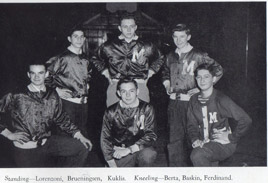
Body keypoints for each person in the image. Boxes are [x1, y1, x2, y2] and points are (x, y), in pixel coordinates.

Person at [0, 63, 92, 167]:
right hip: (25, 150)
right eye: (33, 73)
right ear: (28, 75)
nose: (37, 77)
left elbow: (60, 117)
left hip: (47, 144)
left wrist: (79, 135)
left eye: (40, 73)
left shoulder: (52, 94)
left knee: (82, 148)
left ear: (46, 74)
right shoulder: (17, 95)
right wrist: (8, 134)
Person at [162, 24, 224, 167]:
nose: (179, 40)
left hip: (193, 102)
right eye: (175, 37)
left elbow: (218, 69)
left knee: (196, 139)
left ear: (188, 37)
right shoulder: (170, 56)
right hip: (174, 103)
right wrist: (166, 84)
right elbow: (165, 72)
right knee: (175, 142)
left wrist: (202, 88)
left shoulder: (199, 55)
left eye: (182, 36)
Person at [91, 13, 164, 107]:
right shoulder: (109, 45)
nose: (129, 30)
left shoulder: (146, 45)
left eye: (131, 26)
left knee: (140, 118)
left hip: (139, 85)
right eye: (125, 26)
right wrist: (105, 73)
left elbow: (160, 57)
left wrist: (150, 73)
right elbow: (95, 58)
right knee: (114, 118)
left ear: (136, 27)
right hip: (116, 85)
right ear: (120, 28)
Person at [187, 63, 252, 166]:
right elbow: (191, 125)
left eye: (206, 77)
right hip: (205, 143)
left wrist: (232, 137)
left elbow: (246, 119)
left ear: (213, 79)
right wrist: (195, 139)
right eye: (199, 77)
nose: (202, 80)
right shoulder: (193, 100)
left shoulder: (221, 99)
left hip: (223, 144)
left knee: (197, 155)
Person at [100, 77, 157, 167]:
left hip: (139, 148)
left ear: (137, 92)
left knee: (148, 154)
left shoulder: (147, 108)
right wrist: (111, 162)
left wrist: (130, 149)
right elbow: (104, 138)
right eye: (124, 91)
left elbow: (151, 135)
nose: (128, 95)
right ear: (118, 93)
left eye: (131, 91)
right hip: (120, 150)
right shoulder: (111, 111)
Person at [45, 27, 91, 136]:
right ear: (69, 39)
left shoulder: (86, 58)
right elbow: (45, 77)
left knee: (81, 135)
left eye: (81, 37)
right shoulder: (61, 58)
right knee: (65, 136)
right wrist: (57, 90)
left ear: (84, 39)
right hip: (67, 104)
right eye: (76, 37)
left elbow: (87, 76)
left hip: (83, 104)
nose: (79, 39)